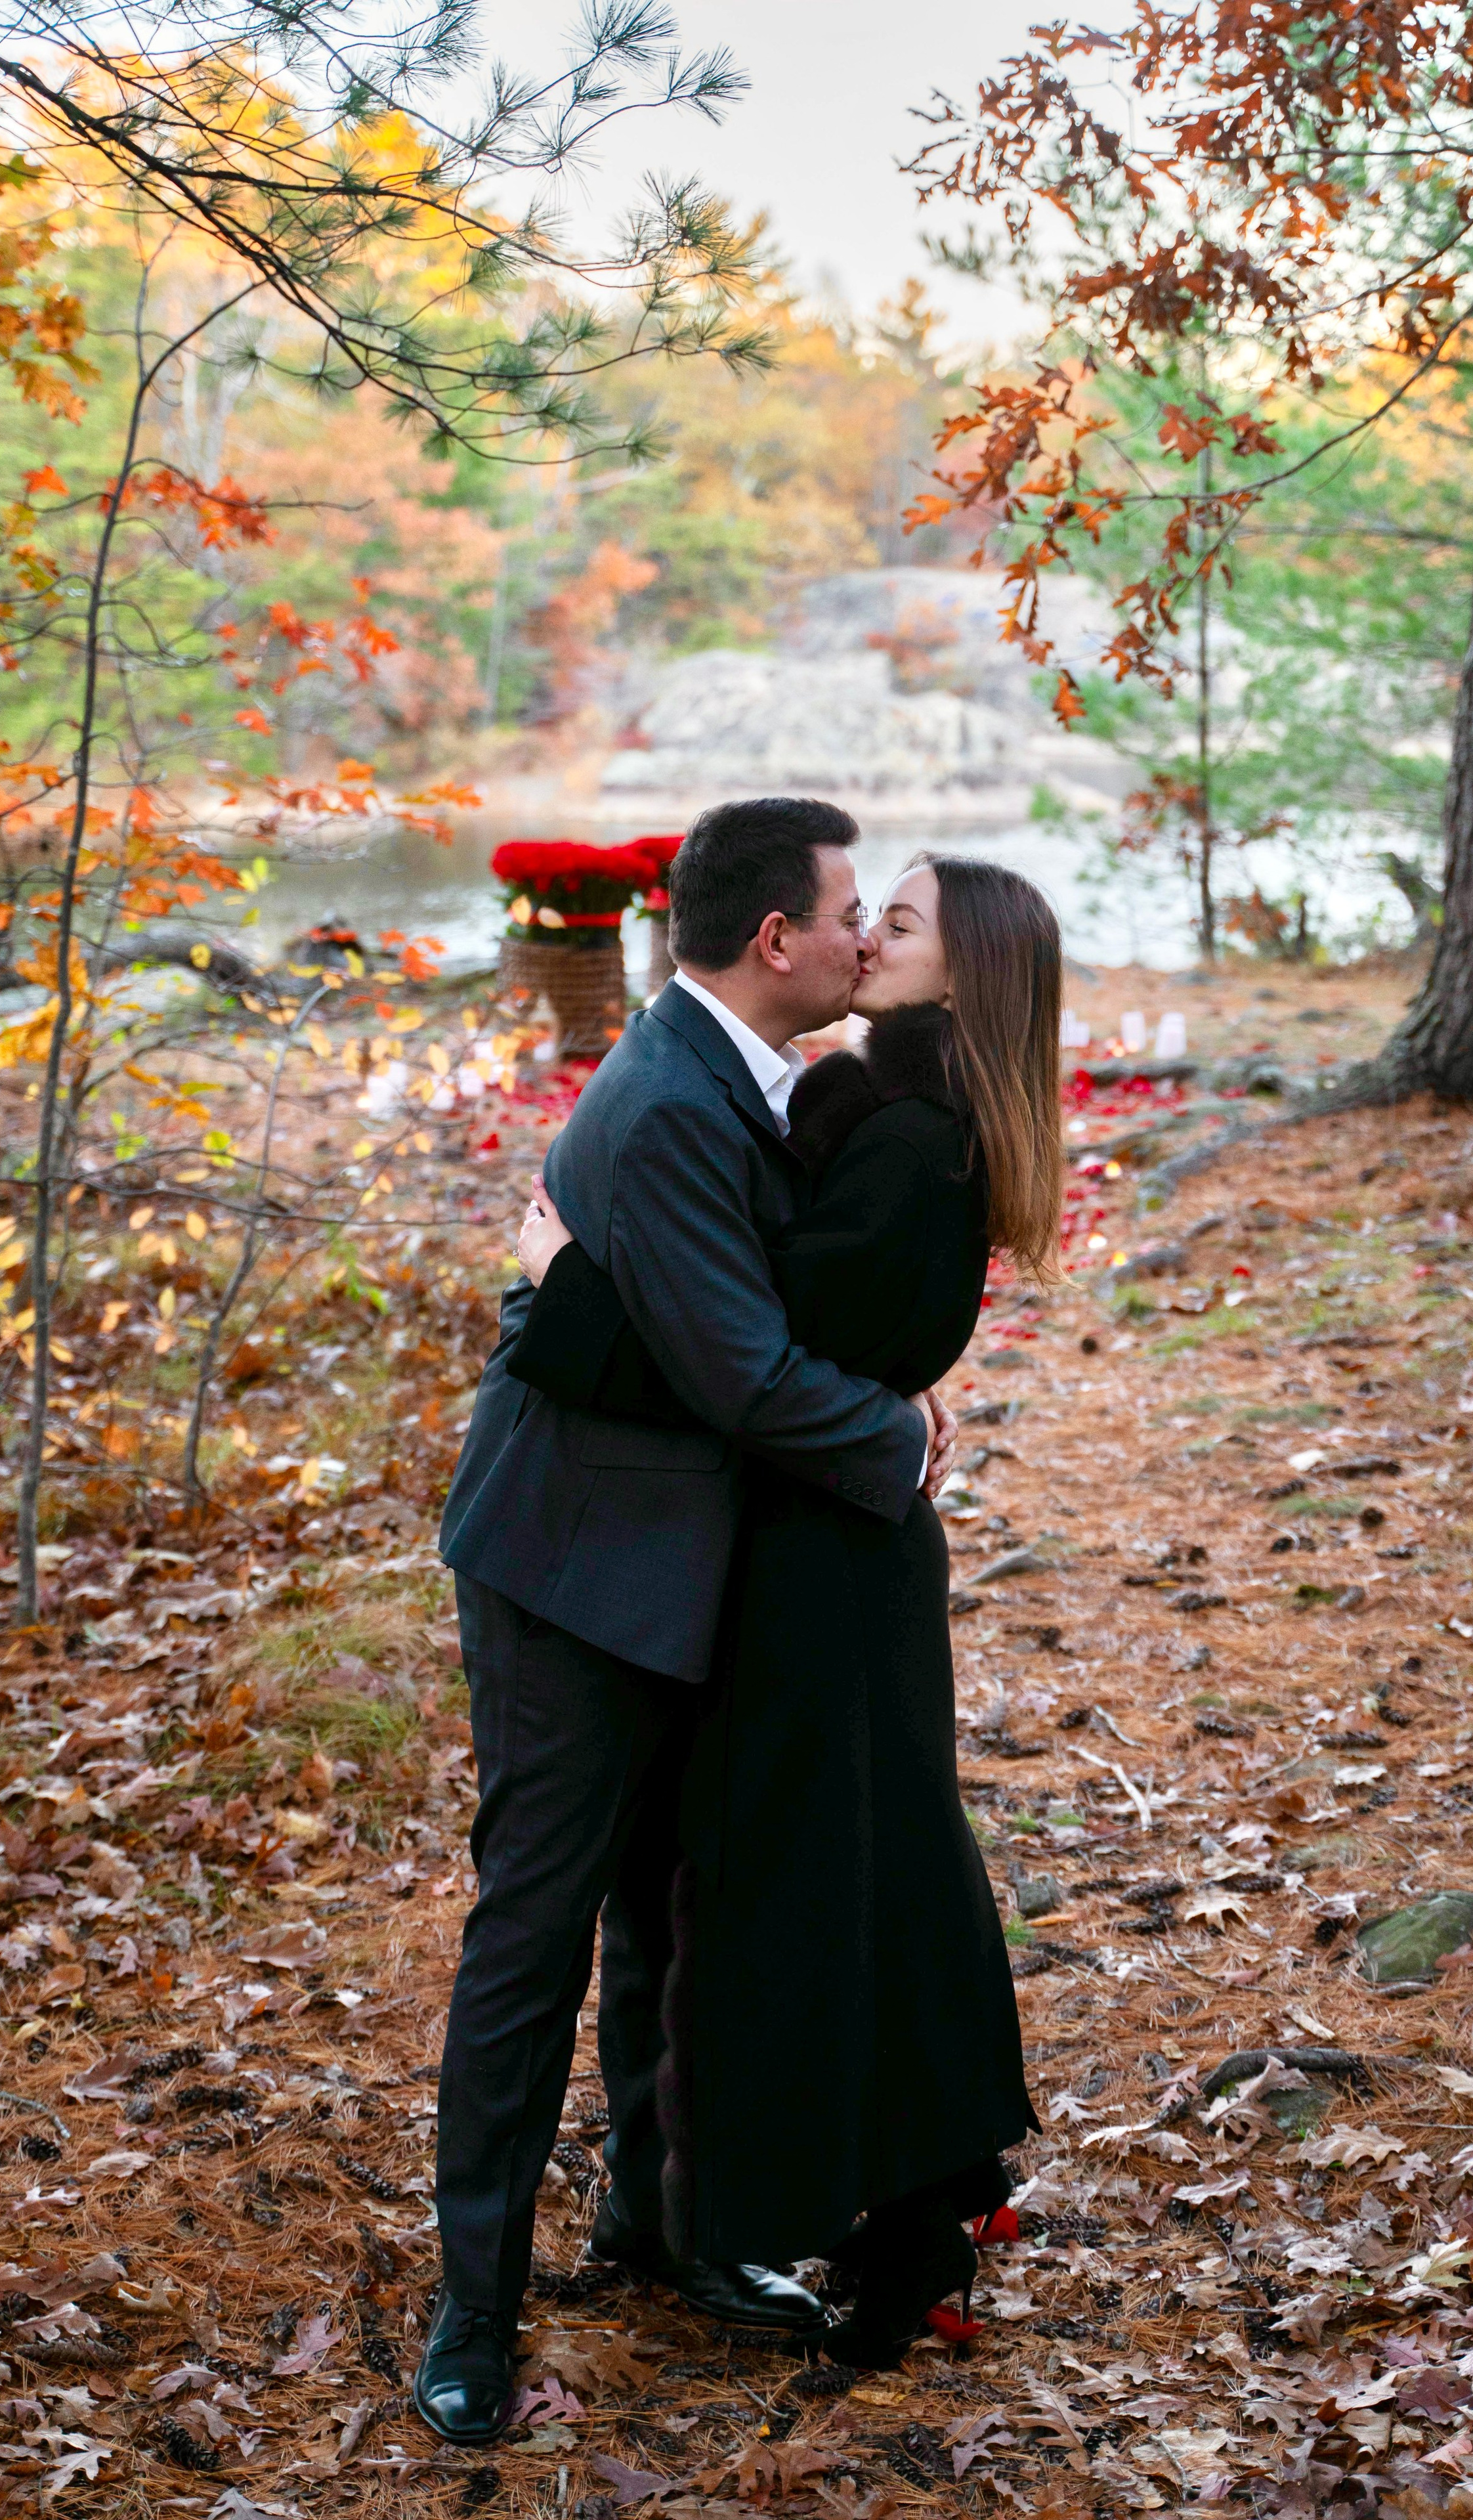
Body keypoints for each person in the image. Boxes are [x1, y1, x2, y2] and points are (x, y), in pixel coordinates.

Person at [418, 798, 955, 2444]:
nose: (867, 933)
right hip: (573, 1574)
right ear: (774, 940)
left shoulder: (760, 1071)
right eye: (850, 908)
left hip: (692, 1566)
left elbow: (730, 1311)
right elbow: (740, 1368)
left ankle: (656, 2232)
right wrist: (908, 1437)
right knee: (535, 1933)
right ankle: (473, 2312)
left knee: (666, 1918)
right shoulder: (662, 1097)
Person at [511, 850, 1064, 2366]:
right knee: (873, 1873)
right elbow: (794, 1320)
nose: (861, 933)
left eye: (897, 920)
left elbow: (744, 1347)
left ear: (964, 970)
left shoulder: (903, 1136)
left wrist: (565, 1282)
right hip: (834, 1549)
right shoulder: (894, 1107)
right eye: (861, 905)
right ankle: (925, 2188)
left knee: (819, 1897)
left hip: (826, 1568)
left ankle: (903, 2239)